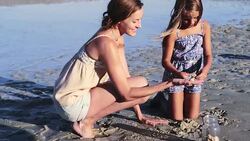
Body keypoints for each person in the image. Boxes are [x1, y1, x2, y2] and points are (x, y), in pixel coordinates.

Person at [53, 0, 201, 138]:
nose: (139, 25)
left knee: (142, 86)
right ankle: (86, 122)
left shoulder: (116, 36)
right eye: (135, 21)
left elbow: (127, 79)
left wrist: (140, 116)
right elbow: (126, 93)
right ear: (119, 20)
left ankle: (87, 119)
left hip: (82, 94)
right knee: (141, 89)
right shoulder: (106, 43)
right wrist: (168, 84)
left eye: (140, 20)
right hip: (71, 103)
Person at [161, 0, 213, 121]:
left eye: (195, 18)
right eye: (186, 19)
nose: (191, 22)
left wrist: (205, 71)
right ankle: (162, 100)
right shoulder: (174, 32)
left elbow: (208, 54)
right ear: (179, 14)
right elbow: (165, 61)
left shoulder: (204, 26)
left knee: (192, 116)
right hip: (176, 75)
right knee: (177, 118)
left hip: (195, 76)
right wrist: (179, 73)